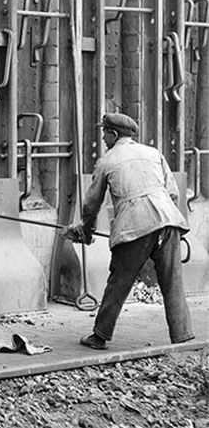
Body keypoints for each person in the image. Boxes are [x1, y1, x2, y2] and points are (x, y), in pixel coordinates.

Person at [60, 112, 194, 350]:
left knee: (119, 282)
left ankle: (99, 336)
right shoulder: (153, 153)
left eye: (105, 132)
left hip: (135, 226)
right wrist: (168, 223)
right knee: (173, 283)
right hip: (169, 222)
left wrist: (85, 232)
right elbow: (173, 193)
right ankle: (182, 337)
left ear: (114, 134)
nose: (102, 137)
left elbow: (91, 204)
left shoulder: (108, 161)